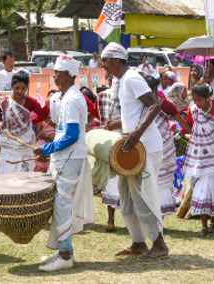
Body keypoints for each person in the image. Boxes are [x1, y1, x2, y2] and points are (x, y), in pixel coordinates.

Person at [101, 42, 169, 258]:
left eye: (105, 61)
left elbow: (154, 105)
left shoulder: (131, 78)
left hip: (145, 146)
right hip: (132, 146)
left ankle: (159, 245)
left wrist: (136, 134)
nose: (103, 66)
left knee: (143, 196)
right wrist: (117, 125)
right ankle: (138, 243)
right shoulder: (122, 81)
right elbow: (134, 113)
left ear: (115, 60)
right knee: (126, 197)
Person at [33, 55, 93, 271]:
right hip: (65, 157)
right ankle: (63, 251)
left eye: (57, 73)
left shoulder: (72, 99)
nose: (54, 76)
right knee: (60, 204)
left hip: (70, 157)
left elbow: (71, 135)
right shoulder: (65, 96)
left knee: (62, 205)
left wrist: (47, 149)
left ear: (68, 75)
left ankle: (65, 254)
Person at [184, 84, 214, 237]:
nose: (197, 103)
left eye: (199, 100)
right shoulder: (193, 110)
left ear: (208, 98)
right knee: (200, 189)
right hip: (199, 156)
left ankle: (213, 222)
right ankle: (204, 226)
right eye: (195, 100)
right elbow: (191, 127)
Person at [0, 71, 48, 174]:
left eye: (23, 89)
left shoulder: (31, 102)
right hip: (8, 148)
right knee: (5, 180)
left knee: (24, 181)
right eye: (17, 88)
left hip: (25, 147)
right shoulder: (4, 102)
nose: (20, 91)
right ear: (12, 86)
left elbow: (43, 115)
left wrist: (30, 122)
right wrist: (0, 124)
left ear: (27, 88)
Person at [145, 73, 189, 216]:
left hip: (162, 144)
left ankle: (158, 213)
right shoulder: (141, 101)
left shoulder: (163, 103)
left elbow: (184, 125)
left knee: (159, 178)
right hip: (149, 143)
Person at [96, 85, 123, 231]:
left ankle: (112, 221)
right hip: (115, 141)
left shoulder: (129, 95)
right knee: (111, 181)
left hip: (125, 140)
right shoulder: (102, 96)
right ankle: (111, 220)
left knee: (119, 181)